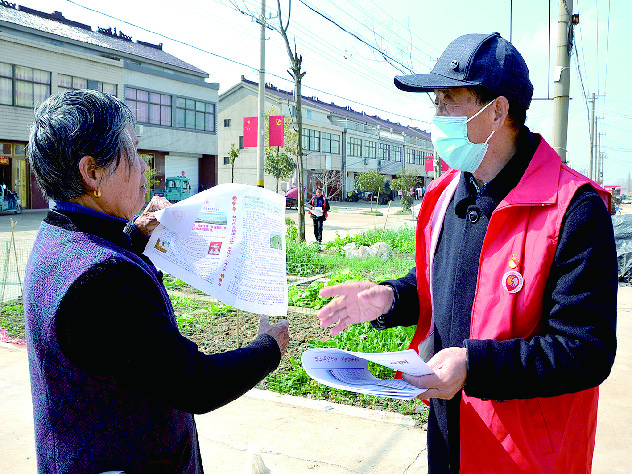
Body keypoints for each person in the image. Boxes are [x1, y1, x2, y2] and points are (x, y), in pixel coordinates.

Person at [317, 32, 617, 473]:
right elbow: (450, 288)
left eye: (449, 100)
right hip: (448, 439)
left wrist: (474, 366)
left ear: (498, 110)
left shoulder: (573, 209)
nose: (437, 115)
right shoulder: (445, 198)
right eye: (435, 101)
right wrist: (392, 298)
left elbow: (584, 350)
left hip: (525, 456)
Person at [23, 90, 290, 473]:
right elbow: (194, 383)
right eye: (132, 151)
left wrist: (135, 236)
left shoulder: (55, 238)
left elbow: (107, 329)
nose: (145, 166)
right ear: (92, 172)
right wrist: (269, 348)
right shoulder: (108, 280)